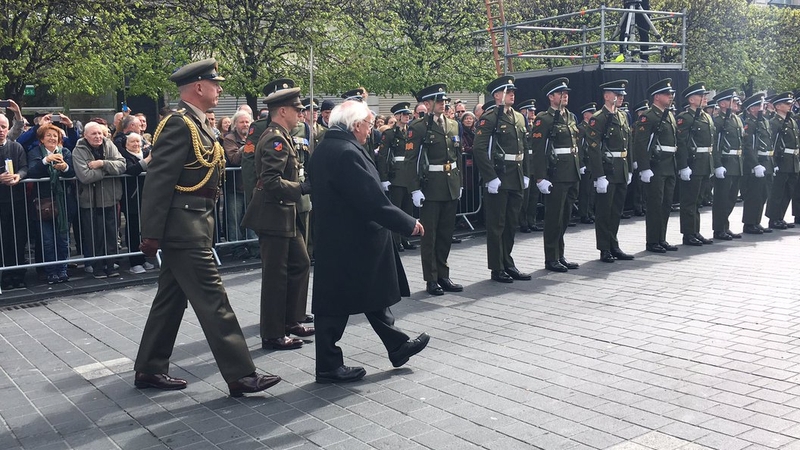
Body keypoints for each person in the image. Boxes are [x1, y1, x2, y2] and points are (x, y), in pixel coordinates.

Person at [134, 58, 280, 397]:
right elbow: (158, 182)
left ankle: (150, 368)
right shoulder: (179, 124)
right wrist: (151, 233)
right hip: (184, 227)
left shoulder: (200, 124)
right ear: (198, 87)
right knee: (215, 299)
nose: (220, 89)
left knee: (170, 299)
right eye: (215, 84)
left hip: (195, 221)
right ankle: (242, 374)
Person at [308, 99, 428, 383]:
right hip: (352, 237)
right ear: (355, 124)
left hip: (342, 236)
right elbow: (371, 200)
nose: (370, 131)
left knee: (370, 293)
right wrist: (408, 223)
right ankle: (327, 365)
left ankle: (397, 346)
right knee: (335, 304)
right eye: (368, 125)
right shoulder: (346, 152)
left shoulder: (328, 147)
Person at [241, 79, 314, 351]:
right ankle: (272, 333)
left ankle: (291, 319)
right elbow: (270, 181)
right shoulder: (274, 138)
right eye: (297, 110)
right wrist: (302, 188)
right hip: (273, 214)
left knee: (300, 263)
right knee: (275, 275)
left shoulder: (281, 135)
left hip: (284, 213)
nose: (301, 115)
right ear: (283, 111)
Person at [473, 76, 531, 283]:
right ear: (497, 95)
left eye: (513, 91)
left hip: (515, 175)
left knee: (511, 223)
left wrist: (525, 173)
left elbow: (524, 147)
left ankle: (508, 262)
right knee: (496, 224)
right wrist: (490, 177)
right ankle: (497, 267)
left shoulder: (518, 117)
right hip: (499, 176)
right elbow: (479, 149)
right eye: (508, 91)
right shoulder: (489, 118)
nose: (512, 94)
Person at [407, 84, 463, 296]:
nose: (443, 104)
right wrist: (415, 189)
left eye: (444, 101)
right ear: (427, 104)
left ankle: (443, 274)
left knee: (446, 234)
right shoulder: (419, 127)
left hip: (450, 185)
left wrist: (461, 183)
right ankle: (431, 278)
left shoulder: (453, 125)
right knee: (429, 235)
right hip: (430, 186)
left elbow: (457, 157)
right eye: (439, 101)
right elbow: (411, 161)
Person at [530, 77, 581, 272]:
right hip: (556, 174)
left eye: (566, 93)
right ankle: (551, 257)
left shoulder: (570, 117)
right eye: (561, 93)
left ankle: (560, 254)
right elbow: (539, 150)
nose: (565, 96)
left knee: (566, 216)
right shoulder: (544, 119)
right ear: (551, 97)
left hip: (571, 172)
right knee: (554, 218)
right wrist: (540, 177)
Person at [585, 80, 635, 263]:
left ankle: (614, 244)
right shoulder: (598, 118)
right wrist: (599, 175)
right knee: (604, 212)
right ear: (607, 96)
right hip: (607, 170)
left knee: (616, 211)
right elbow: (593, 148)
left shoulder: (622, 116)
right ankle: (604, 248)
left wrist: (629, 168)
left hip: (621, 169)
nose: (620, 97)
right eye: (617, 94)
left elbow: (628, 144)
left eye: (622, 95)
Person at [73, 122, 127, 278]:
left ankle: (111, 265)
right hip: (89, 201)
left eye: (100, 133)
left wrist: (101, 164)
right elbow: (85, 176)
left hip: (109, 197)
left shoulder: (109, 145)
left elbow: (122, 165)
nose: (98, 136)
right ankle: (97, 267)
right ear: (85, 135)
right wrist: (108, 171)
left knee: (111, 234)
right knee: (93, 236)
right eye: (93, 134)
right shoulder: (79, 150)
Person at [634, 78, 679, 253]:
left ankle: (661, 237)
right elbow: (641, 143)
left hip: (669, 165)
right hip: (657, 166)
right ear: (657, 97)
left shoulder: (669, 115)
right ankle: (652, 240)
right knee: (655, 204)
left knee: (666, 203)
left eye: (671, 94)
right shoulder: (649, 116)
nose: (670, 97)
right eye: (667, 94)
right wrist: (645, 167)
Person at [26, 124, 74, 284]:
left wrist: (65, 167)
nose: (52, 138)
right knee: (47, 240)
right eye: (49, 135)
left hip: (62, 203)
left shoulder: (65, 152)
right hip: (42, 203)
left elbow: (73, 172)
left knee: (63, 239)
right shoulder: (35, 153)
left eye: (55, 136)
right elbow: (31, 171)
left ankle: (62, 270)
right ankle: (51, 271)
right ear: (41, 139)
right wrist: (46, 160)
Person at [676, 82, 715, 246]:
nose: (705, 98)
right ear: (692, 99)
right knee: (689, 201)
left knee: (698, 200)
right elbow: (682, 144)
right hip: (693, 164)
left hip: (705, 163)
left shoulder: (705, 116)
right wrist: (683, 165)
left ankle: (695, 231)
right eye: (701, 96)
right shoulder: (684, 118)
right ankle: (688, 233)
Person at [377, 102, 417, 253]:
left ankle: (406, 238)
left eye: (408, 114)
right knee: (396, 209)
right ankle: (395, 240)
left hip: (409, 175)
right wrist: (384, 178)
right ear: (397, 116)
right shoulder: (389, 134)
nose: (407, 117)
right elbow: (383, 157)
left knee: (408, 209)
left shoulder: (411, 132)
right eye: (404, 115)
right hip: (396, 176)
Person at [223, 110, 257, 259]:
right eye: (242, 122)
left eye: (247, 122)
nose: (245, 125)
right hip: (235, 187)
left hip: (250, 185)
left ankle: (255, 246)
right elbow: (234, 159)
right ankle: (237, 248)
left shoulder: (255, 137)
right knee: (235, 219)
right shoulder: (229, 139)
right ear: (235, 124)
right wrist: (246, 146)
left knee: (252, 218)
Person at [711, 89, 744, 240]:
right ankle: (719, 229)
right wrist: (717, 164)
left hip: (736, 163)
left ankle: (725, 226)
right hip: (725, 163)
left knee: (731, 198)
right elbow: (715, 145)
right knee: (721, 199)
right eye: (733, 101)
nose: (737, 103)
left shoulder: (736, 119)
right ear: (723, 104)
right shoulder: (717, 121)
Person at [0, 114, 29, 289]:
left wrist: (19, 176)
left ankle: (18, 274)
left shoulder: (16, 147)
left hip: (15, 200)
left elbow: (25, 167)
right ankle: (5, 274)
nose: (1, 131)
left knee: (17, 238)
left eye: (3, 127)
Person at [740, 93, 774, 234]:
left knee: (763, 194)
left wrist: (773, 162)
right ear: (752, 108)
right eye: (760, 105)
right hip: (756, 163)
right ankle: (749, 223)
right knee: (754, 194)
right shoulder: (749, 123)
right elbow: (748, 146)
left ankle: (756, 221)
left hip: (767, 161)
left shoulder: (764, 121)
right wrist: (754, 164)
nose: (763, 107)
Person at [119, 132, 152, 274]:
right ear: (126, 144)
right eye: (132, 142)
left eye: (138, 142)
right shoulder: (125, 156)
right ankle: (134, 261)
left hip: (147, 198)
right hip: (131, 198)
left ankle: (143, 258)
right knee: (133, 229)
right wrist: (149, 159)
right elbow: (132, 170)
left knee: (144, 230)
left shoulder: (144, 153)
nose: (136, 144)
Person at [765, 92, 799, 230]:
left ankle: (780, 217)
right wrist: (774, 162)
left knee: (788, 191)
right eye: (787, 104)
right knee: (778, 191)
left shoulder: (790, 120)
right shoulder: (774, 122)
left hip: (793, 160)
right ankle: (773, 218)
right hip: (782, 160)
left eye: (791, 103)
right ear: (778, 106)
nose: (790, 106)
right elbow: (773, 143)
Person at [576, 102, 597, 225]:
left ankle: (590, 212)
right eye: (591, 113)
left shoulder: (592, 128)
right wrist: (581, 164)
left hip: (592, 162)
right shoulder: (581, 128)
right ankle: (584, 214)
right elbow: (579, 147)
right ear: (585, 115)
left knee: (591, 190)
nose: (594, 115)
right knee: (585, 191)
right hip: (585, 163)